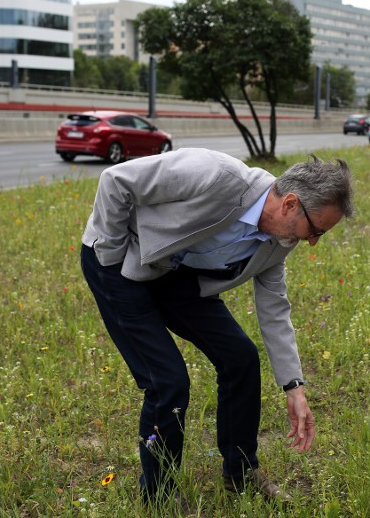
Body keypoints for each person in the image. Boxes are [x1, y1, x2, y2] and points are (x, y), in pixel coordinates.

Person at [80, 148, 354, 504]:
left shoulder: (280, 241)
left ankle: (240, 473)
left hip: (173, 275)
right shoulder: (216, 174)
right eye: (316, 229)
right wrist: (112, 254)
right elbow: (115, 181)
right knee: (168, 383)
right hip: (117, 265)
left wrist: (294, 386)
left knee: (240, 357)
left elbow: (274, 307)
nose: (314, 241)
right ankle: (158, 495)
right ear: (289, 204)